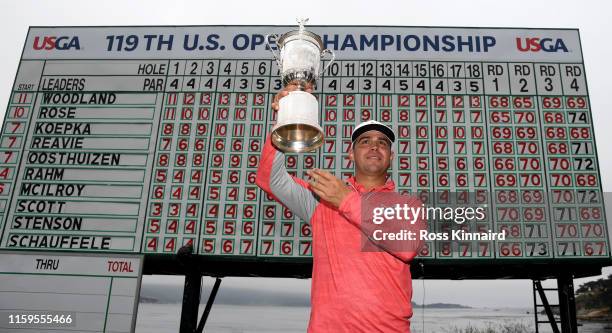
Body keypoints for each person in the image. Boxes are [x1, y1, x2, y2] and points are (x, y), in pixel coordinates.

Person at [256, 84, 426, 332]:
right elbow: (269, 179)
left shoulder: (408, 205)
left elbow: (407, 247)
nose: (374, 146)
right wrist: (284, 119)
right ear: (350, 154)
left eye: (382, 143)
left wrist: (345, 200)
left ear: (391, 156)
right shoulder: (323, 198)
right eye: (364, 141)